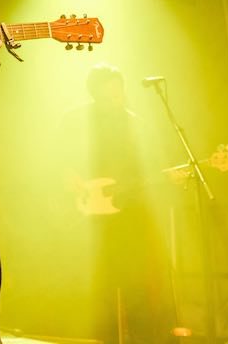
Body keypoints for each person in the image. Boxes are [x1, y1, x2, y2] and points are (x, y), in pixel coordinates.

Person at [56, 63, 176, 343]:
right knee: (97, 289)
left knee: (135, 284)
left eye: (119, 90)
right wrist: (67, 174)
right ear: (94, 92)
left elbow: (152, 166)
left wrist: (171, 175)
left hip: (129, 211)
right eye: (109, 91)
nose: (116, 96)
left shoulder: (135, 122)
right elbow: (54, 157)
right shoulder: (75, 119)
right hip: (85, 216)